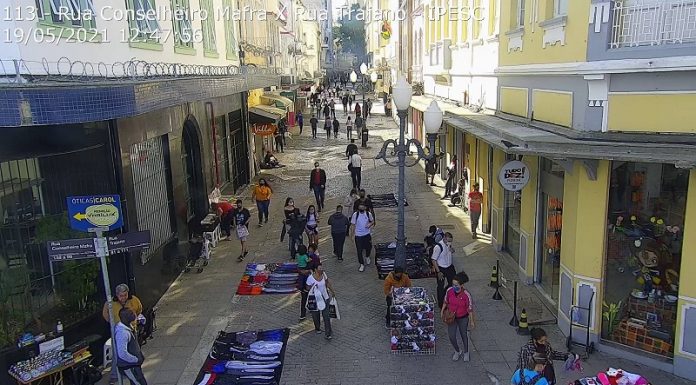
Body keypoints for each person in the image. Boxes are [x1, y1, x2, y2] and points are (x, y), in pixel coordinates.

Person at [103, 284, 143, 385]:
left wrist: (134, 322)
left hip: (132, 329)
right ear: (117, 295)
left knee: (133, 350)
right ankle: (115, 375)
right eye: (121, 296)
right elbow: (105, 314)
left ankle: (133, 370)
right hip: (119, 332)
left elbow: (139, 309)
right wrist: (112, 324)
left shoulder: (134, 300)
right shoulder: (110, 304)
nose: (123, 298)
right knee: (118, 353)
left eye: (125, 295)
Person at [441, 272, 475, 362]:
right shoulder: (449, 291)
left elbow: (470, 308)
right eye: (453, 284)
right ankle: (457, 351)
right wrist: (442, 311)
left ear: (462, 285)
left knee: (464, 335)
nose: (454, 287)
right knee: (451, 336)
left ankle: (466, 352)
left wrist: (471, 321)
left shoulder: (466, 295)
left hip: (463, 317)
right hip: (451, 317)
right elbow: (445, 301)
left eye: (456, 285)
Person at [114, 308, 148, 385]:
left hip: (132, 365)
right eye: (131, 314)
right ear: (125, 317)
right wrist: (135, 359)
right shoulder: (122, 333)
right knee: (139, 382)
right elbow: (122, 353)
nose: (134, 315)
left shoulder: (128, 327)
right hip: (129, 365)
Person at [305, 263, 336, 339]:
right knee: (316, 315)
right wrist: (312, 287)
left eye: (322, 268)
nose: (322, 270)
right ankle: (317, 328)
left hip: (325, 297)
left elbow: (327, 283)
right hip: (315, 300)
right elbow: (307, 288)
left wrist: (333, 291)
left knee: (326, 316)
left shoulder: (324, 274)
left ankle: (328, 333)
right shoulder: (310, 278)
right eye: (320, 269)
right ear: (315, 270)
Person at [432, 232, 456, 308]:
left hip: (449, 267)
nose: (450, 242)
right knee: (440, 286)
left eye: (451, 241)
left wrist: (452, 249)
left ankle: (447, 294)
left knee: (452, 283)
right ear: (444, 238)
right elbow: (433, 260)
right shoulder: (438, 247)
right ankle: (441, 303)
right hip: (441, 268)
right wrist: (438, 272)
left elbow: (450, 252)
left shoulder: (448, 244)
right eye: (448, 240)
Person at [350, 202, 374, 272]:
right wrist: (352, 235)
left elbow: (372, 221)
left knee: (369, 247)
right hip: (358, 236)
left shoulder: (368, 214)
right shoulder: (355, 215)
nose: (361, 207)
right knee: (359, 250)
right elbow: (353, 225)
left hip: (367, 234)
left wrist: (369, 224)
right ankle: (362, 264)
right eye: (360, 206)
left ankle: (367, 256)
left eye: (363, 206)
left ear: (365, 208)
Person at [297, 245, 311, 321]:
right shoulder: (305, 256)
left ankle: (303, 314)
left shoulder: (298, 255)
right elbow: (308, 261)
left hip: (301, 270)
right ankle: (310, 308)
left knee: (303, 299)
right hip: (305, 270)